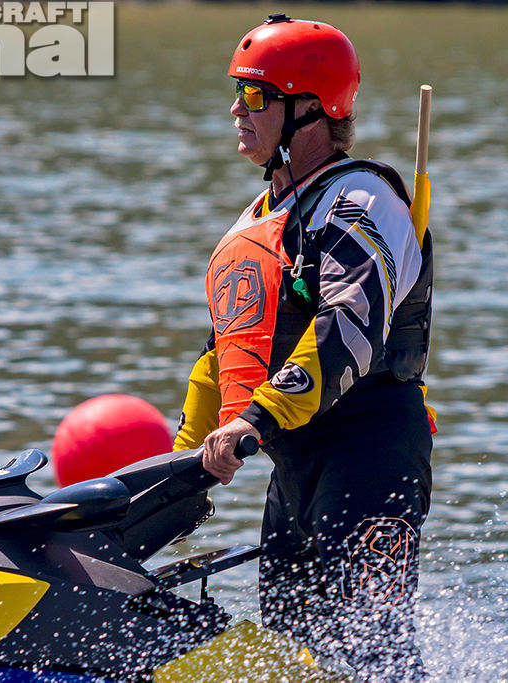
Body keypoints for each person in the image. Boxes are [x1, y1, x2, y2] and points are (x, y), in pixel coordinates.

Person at [172, 14, 434, 681]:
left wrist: (254, 421)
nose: (236, 109)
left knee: (369, 658)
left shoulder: (358, 199)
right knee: (298, 664)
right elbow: (221, 357)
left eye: (256, 95)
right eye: (236, 91)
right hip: (290, 461)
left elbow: (349, 326)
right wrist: (175, 476)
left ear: (310, 110)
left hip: (368, 451)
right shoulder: (257, 219)